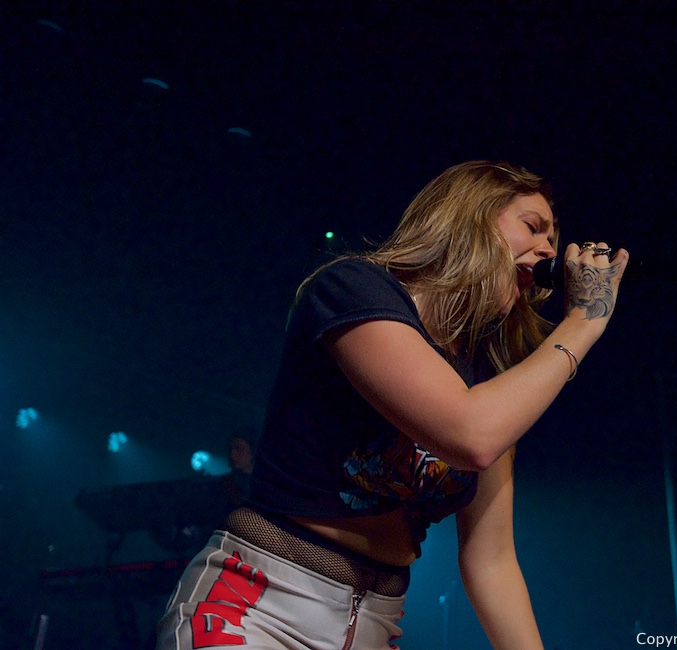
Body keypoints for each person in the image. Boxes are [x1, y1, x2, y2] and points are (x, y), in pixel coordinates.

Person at [155, 161, 628, 649]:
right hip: (259, 604)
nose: (551, 250)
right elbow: (472, 436)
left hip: (373, 625)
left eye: (553, 237)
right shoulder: (351, 290)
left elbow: (492, 561)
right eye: (532, 227)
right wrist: (585, 322)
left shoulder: (487, 376)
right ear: (468, 219)